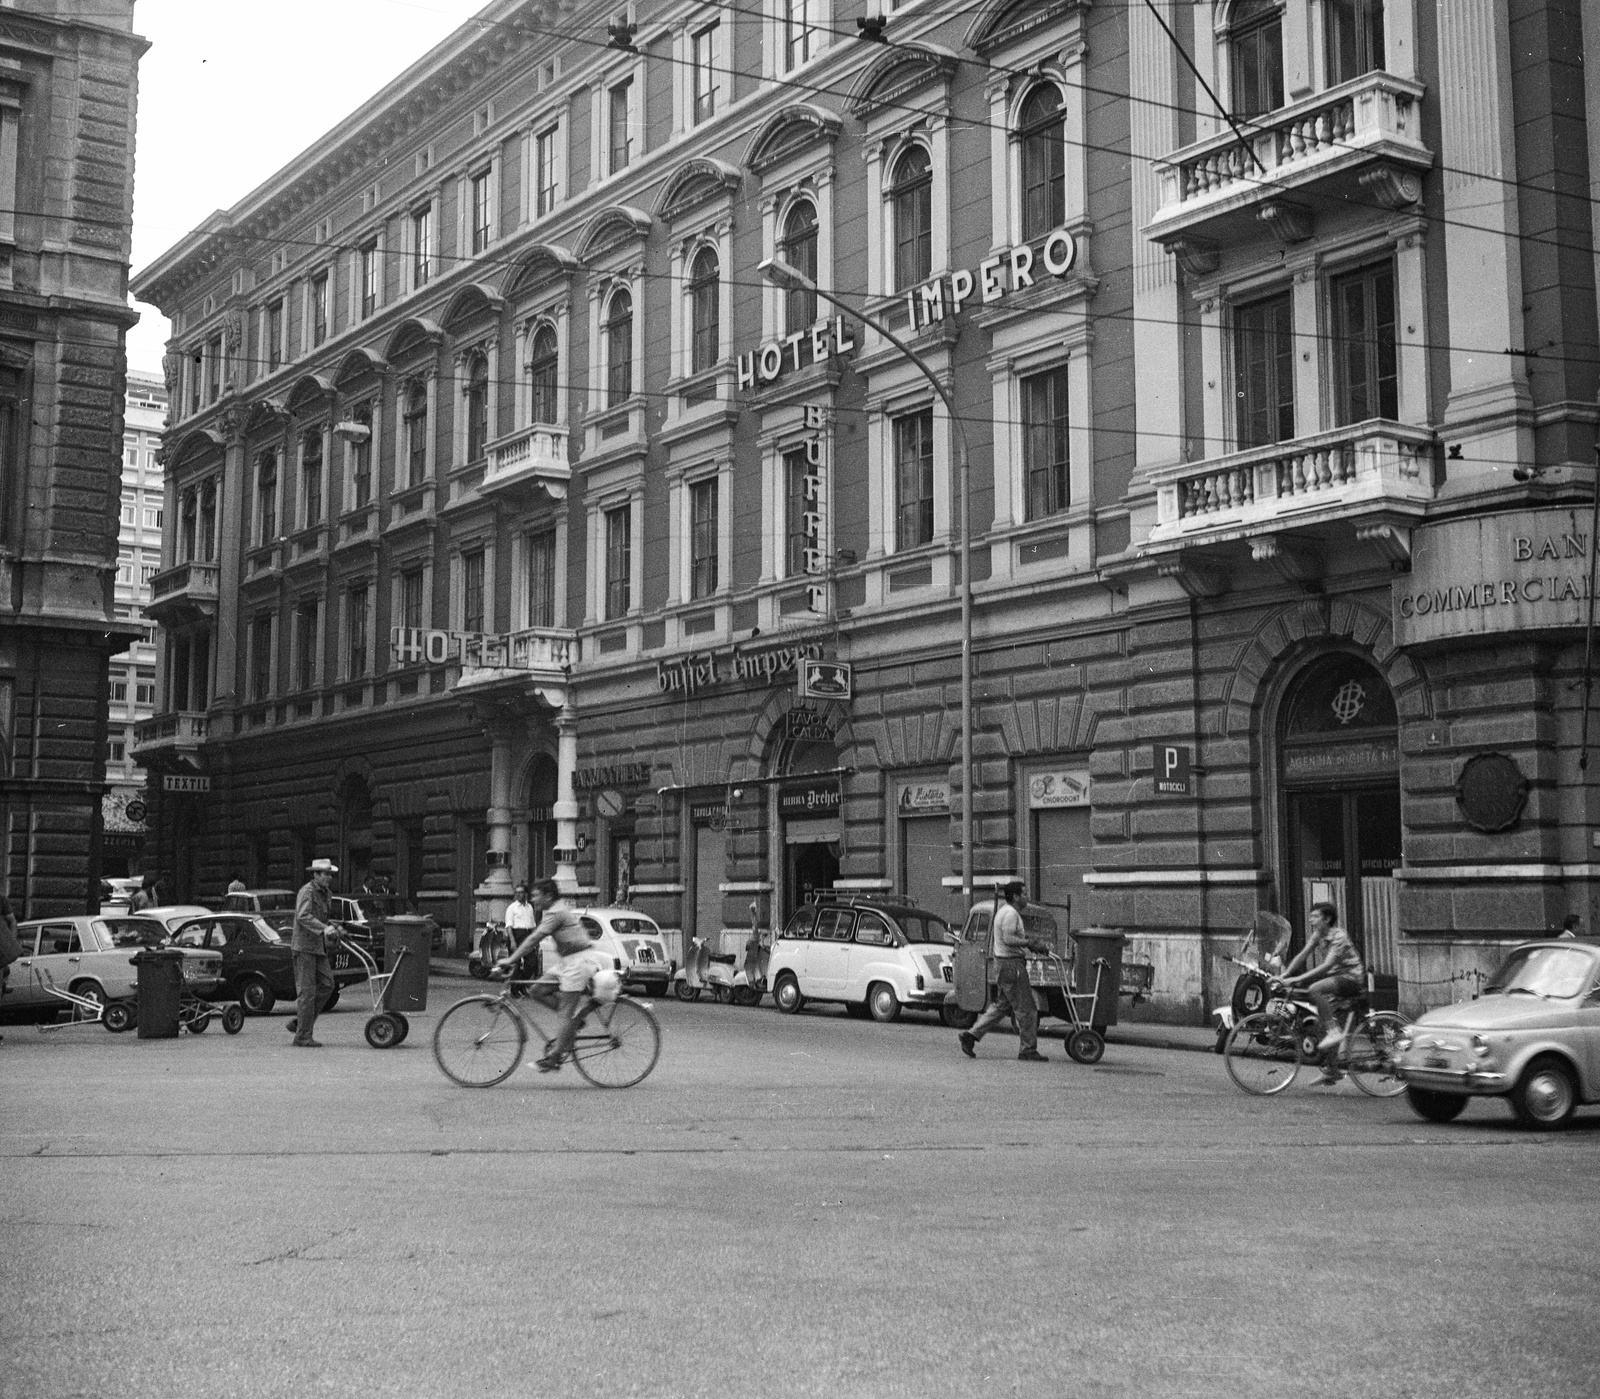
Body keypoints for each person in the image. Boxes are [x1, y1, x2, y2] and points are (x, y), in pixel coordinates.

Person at [496, 877, 603, 1073]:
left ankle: (554, 1058)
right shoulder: (553, 911)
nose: (533, 899)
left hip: (578, 962)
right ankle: (573, 1023)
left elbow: (535, 938)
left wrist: (511, 960)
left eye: (536, 896)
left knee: (565, 1012)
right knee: (536, 990)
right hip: (567, 962)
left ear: (549, 896)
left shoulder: (556, 912)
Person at [957, 881, 1053, 1062]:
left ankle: (971, 1035)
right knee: (1027, 1010)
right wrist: (1028, 943)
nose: (1026, 897)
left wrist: (1029, 943)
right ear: (1015, 896)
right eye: (1024, 893)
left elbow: (1009, 938)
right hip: (1012, 966)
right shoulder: (1011, 914)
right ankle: (1028, 1050)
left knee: (1002, 1005)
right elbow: (1009, 938)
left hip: (1003, 965)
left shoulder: (1003, 911)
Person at [1283, 901, 1366, 1084]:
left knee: (1315, 989)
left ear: (1327, 919)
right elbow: (1303, 954)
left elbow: (1327, 965)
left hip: (1351, 979)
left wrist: (1298, 979)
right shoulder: (1318, 935)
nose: (1311, 921)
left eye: (1315, 917)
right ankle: (1332, 1070)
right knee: (1321, 1022)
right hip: (1336, 980)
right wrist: (1286, 974)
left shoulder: (1338, 936)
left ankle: (1335, 1031)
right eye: (1311, 916)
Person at [288, 857, 339, 1048]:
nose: (328, 877)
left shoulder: (326, 894)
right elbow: (303, 916)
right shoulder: (307, 891)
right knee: (307, 993)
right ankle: (302, 1036)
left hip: (318, 947)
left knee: (327, 984)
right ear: (315, 875)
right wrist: (323, 929)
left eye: (330, 874)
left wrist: (334, 928)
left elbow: (323, 918)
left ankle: (302, 1022)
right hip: (304, 947)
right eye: (325, 874)